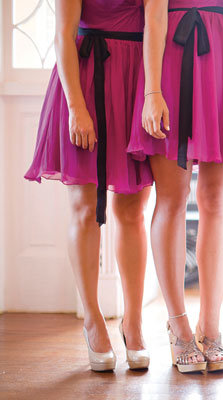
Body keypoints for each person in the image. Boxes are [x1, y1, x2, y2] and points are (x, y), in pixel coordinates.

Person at [24, 0, 153, 371]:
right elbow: (63, 34)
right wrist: (76, 107)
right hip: (84, 78)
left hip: (134, 80)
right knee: (83, 209)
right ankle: (93, 320)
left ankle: (134, 321)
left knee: (132, 210)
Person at [131, 0, 223, 373]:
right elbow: (153, 17)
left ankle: (211, 326)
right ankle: (178, 324)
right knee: (173, 197)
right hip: (172, 62)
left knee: (216, 200)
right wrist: (152, 91)